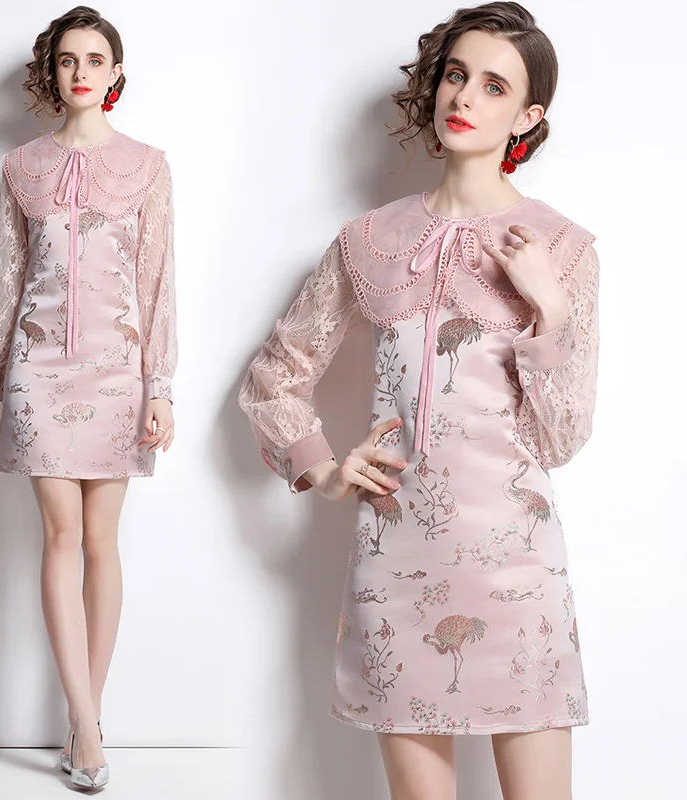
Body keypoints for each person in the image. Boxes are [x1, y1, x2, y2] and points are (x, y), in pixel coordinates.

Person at [238, 3, 598, 798]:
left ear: (527, 116)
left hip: (518, 573)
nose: (463, 96)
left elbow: (564, 435)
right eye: (456, 75)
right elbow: (274, 375)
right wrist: (324, 469)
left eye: (495, 86)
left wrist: (549, 309)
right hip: (397, 566)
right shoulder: (369, 241)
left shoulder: (562, 249)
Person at [0, 5, 177, 789]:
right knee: (61, 536)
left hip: (119, 372)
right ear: (52, 72)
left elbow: (158, 284)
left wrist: (161, 385)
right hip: (37, 371)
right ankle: (87, 726)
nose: (80, 72)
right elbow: (6, 281)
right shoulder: (21, 168)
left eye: (95, 60)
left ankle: (81, 718)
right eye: (67, 60)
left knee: (101, 542)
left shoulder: (148, 167)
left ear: (115, 73)